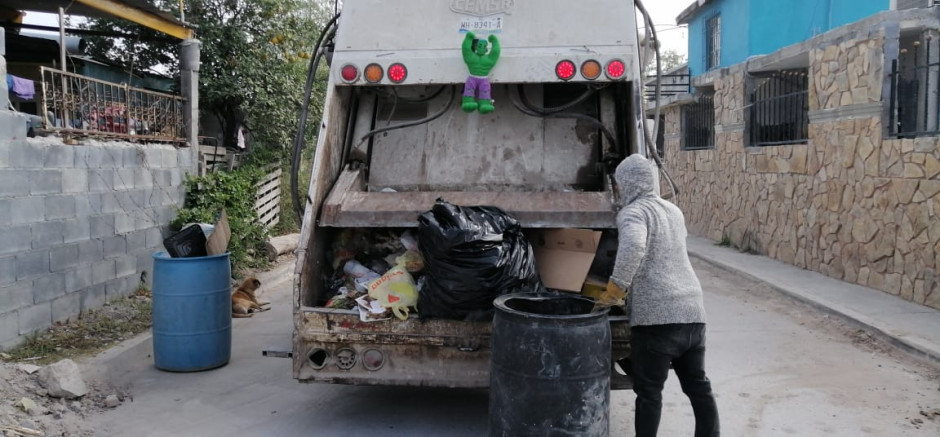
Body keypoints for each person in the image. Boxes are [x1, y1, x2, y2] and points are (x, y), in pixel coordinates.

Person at [601, 154, 720, 437]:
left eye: (619, 184)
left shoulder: (633, 213)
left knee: (649, 392)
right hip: (692, 312)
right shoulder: (673, 211)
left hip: (657, 319)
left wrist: (616, 289)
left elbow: (634, 247)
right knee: (698, 385)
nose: (618, 190)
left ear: (628, 184)